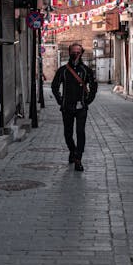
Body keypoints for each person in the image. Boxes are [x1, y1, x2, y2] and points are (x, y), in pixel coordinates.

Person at [51, 42, 97, 171]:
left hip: (81, 107)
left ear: (82, 53)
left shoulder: (86, 70)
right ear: (69, 52)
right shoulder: (63, 71)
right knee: (68, 133)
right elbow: (54, 86)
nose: (75, 54)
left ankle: (78, 158)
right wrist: (61, 101)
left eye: (78, 51)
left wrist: (87, 101)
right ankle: (72, 150)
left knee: (80, 132)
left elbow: (94, 86)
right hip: (67, 107)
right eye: (73, 51)